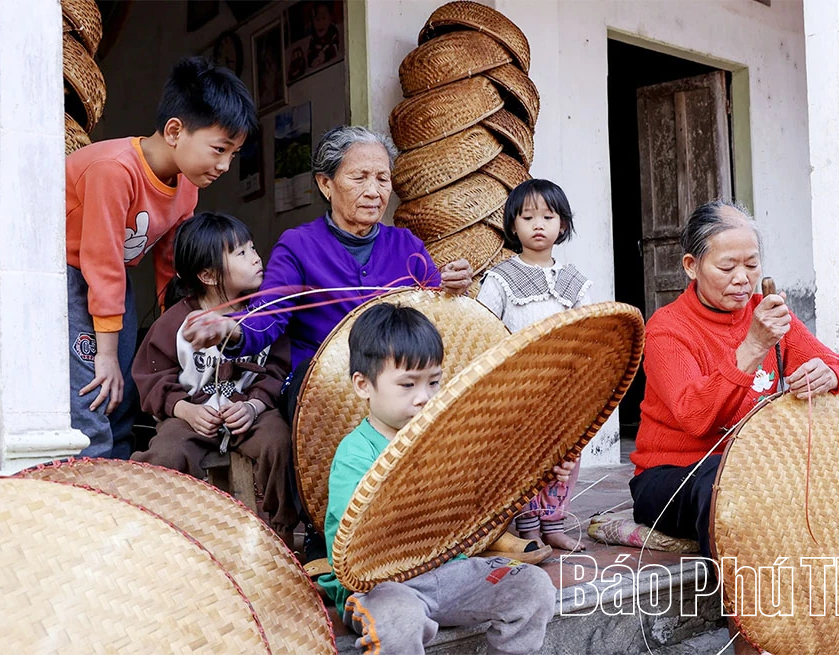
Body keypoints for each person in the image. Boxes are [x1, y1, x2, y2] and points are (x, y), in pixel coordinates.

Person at [629, 199, 839, 654]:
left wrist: (832, 375)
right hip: (678, 475)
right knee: (731, 487)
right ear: (692, 266)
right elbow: (695, 418)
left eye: (751, 264)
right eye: (727, 265)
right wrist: (751, 347)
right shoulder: (667, 330)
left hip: (762, 468)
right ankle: (751, 631)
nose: (742, 278)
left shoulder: (770, 316)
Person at [182, 125, 472, 558]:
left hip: (394, 380)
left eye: (383, 178)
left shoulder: (405, 243)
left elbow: (429, 318)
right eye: (360, 178)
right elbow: (270, 315)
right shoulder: (298, 245)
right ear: (325, 183)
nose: (375, 191)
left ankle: (442, 520)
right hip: (321, 381)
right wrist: (233, 328)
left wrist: (451, 288)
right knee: (307, 391)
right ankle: (324, 528)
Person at [318, 303, 556, 654]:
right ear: (363, 385)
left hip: (450, 574)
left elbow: (480, 500)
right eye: (407, 384)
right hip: (383, 587)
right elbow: (356, 538)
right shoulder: (355, 454)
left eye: (433, 382)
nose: (424, 397)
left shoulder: (448, 441)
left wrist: (534, 473)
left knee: (533, 587)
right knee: (400, 621)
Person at [66, 56, 257, 459]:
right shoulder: (113, 170)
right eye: (219, 149)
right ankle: (91, 496)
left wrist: (184, 325)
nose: (224, 165)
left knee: (124, 391)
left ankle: (121, 482)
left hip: (114, 283)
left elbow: (171, 265)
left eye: (233, 154)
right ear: (175, 131)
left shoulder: (187, 186)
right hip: (69, 277)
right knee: (97, 386)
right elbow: (99, 263)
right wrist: (105, 354)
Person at [129, 212, 296, 542]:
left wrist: (254, 407)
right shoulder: (174, 323)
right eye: (242, 253)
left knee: (280, 442)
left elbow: (278, 370)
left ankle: (282, 533)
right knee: (166, 454)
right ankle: (157, 531)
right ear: (207, 274)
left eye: (252, 248)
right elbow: (151, 378)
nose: (256, 257)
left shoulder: (263, 317)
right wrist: (185, 410)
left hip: (249, 414)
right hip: (192, 416)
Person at [476, 179, 592, 552]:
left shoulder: (575, 281)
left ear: (563, 225)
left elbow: (590, 331)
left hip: (564, 387)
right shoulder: (500, 279)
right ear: (513, 225)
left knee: (566, 454)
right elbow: (483, 330)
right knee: (524, 455)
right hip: (518, 389)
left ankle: (554, 521)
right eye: (527, 217)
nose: (538, 224)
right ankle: (527, 523)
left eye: (548, 216)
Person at [306, 1, 340, 69]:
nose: (320, 23)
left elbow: (335, 48)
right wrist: (313, 61)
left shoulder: (333, 31)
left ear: (330, 18)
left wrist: (324, 56)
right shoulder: (313, 38)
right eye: (317, 19)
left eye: (323, 18)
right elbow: (309, 53)